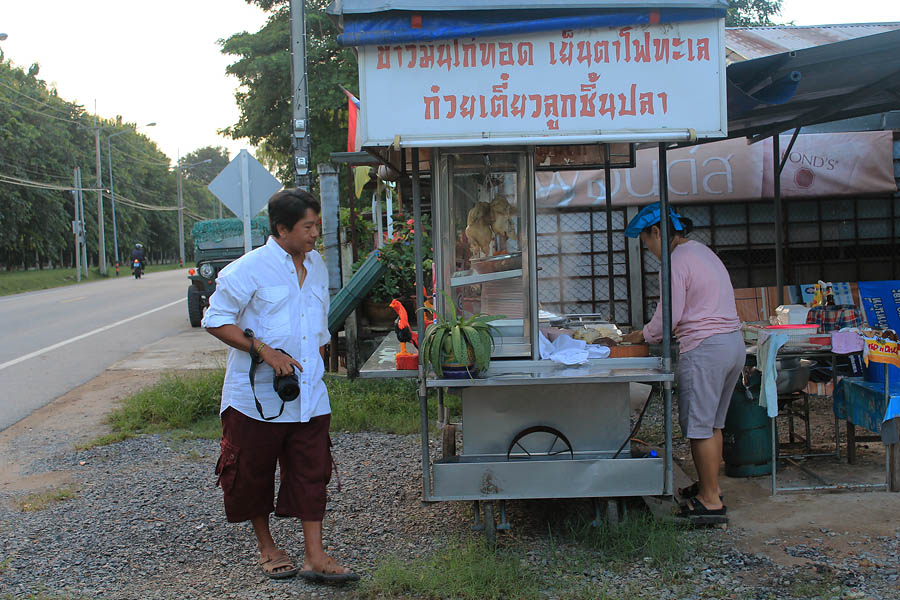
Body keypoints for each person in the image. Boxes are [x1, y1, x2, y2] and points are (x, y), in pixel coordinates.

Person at [202, 188, 358, 583]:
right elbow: (215, 319)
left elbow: (316, 325)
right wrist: (264, 351)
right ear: (282, 228)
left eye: (317, 226)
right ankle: (267, 546)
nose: (315, 234)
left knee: (313, 469)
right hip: (254, 398)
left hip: (308, 395)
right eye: (308, 226)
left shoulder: (318, 265)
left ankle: (315, 555)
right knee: (252, 472)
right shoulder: (247, 269)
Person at [621, 203, 743, 525]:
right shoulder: (702, 252)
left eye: (647, 241)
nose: (648, 249)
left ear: (658, 232)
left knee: (699, 428)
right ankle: (709, 487)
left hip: (705, 348)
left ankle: (710, 502)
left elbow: (668, 317)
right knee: (713, 424)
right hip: (732, 344)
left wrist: (640, 335)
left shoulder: (675, 262)